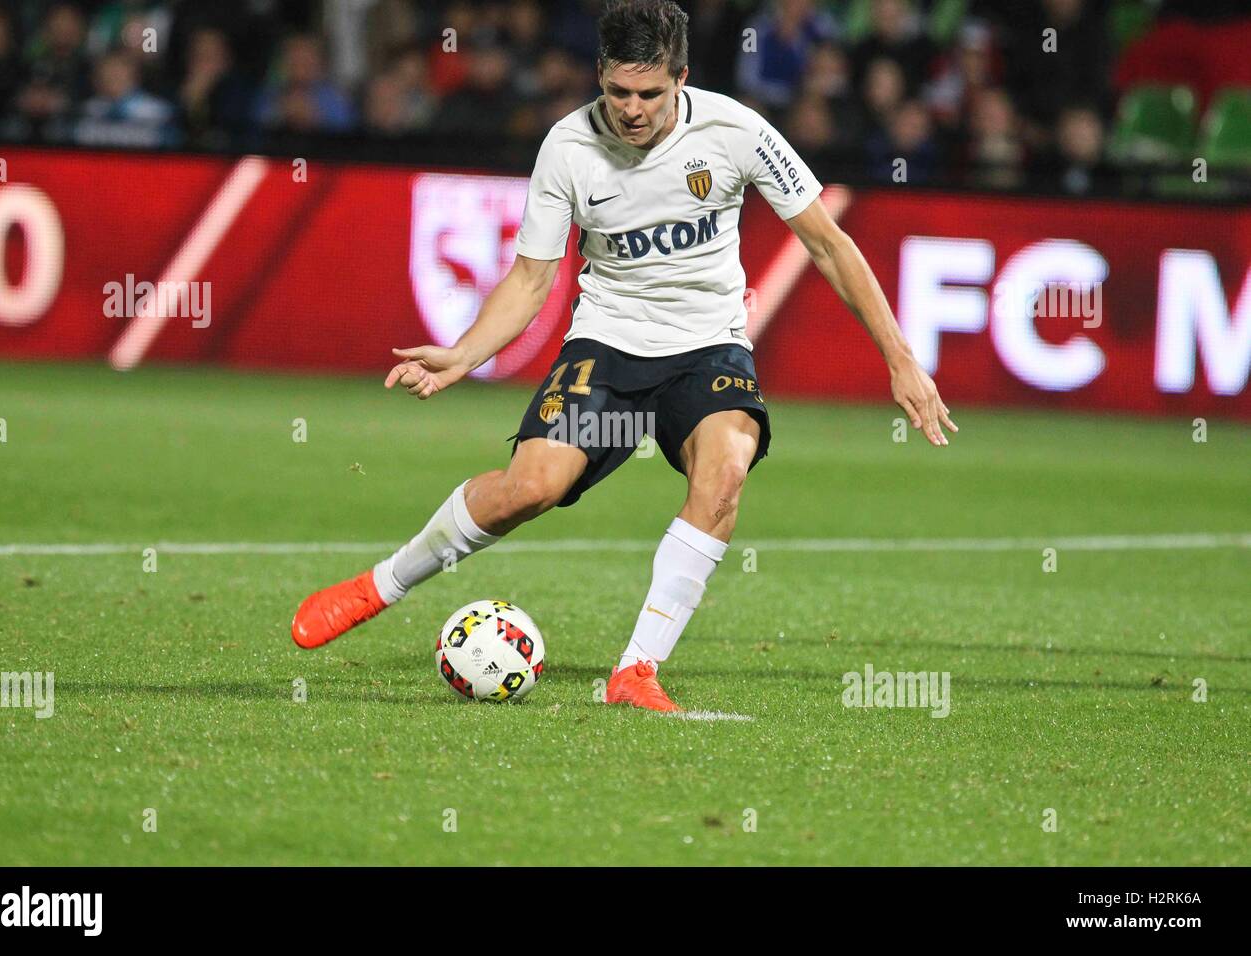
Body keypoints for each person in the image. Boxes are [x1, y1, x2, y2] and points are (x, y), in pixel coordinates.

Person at [290, 0, 956, 712]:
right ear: (599, 77)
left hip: (708, 347)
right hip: (607, 344)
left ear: (682, 79)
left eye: (649, 94)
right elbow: (531, 277)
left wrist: (900, 358)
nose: (632, 110)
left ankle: (636, 670)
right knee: (529, 490)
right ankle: (381, 584)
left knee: (725, 472)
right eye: (617, 93)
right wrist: (463, 354)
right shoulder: (568, 147)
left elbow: (829, 243)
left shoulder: (736, 131)